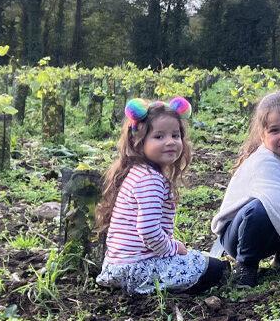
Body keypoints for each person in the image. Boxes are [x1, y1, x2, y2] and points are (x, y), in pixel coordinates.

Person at [96, 97, 228, 295]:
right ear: (139, 142)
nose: (170, 142)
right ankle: (153, 289)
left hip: (119, 265)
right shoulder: (150, 180)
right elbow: (148, 230)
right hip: (138, 268)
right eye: (159, 137)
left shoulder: (137, 171)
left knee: (204, 261)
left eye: (175, 135)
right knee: (218, 270)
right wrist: (174, 248)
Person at [210, 90, 280, 288]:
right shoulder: (265, 163)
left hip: (273, 228)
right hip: (238, 235)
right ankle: (246, 267)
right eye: (275, 130)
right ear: (262, 135)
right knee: (260, 209)